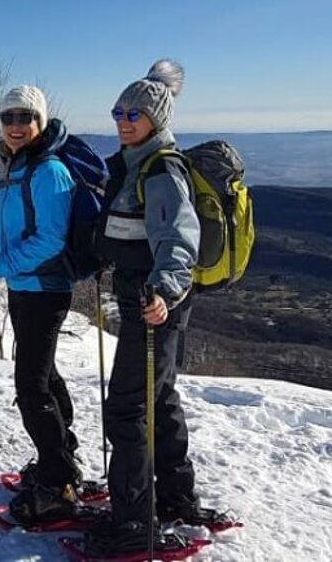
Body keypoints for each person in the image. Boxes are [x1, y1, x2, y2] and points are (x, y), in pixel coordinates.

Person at [84, 59, 230, 555]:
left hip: (154, 306)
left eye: (134, 113)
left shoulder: (161, 170)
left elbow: (178, 241)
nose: (123, 119)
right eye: (118, 111)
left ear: (156, 119)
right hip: (145, 301)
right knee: (159, 396)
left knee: (127, 409)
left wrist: (164, 293)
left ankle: (133, 526)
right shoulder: (131, 165)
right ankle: (174, 496)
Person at [0, 84, 85, 524]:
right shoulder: (15, 169)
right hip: (24, 289)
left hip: (45, 289)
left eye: (25, 117)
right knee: (45, 376)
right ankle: (63, 460)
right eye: (8, 118)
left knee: (31, 387)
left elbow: (51, 238)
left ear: (40, 121)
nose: (15, 126)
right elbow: (14, 230)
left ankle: (57, 482)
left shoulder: (48, 172)